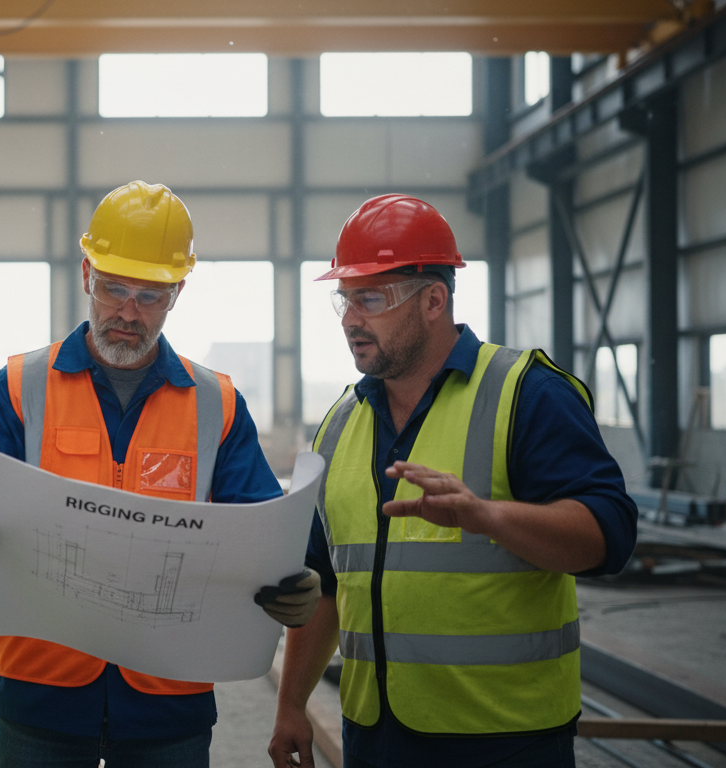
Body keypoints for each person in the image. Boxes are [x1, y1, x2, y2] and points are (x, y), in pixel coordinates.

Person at [0, 180, 322, 768]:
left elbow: (264, 527)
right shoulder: (19, 387)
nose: (128, 313)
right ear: (87, 274)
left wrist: (294, 583)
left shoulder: (217, 403)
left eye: (151, 295)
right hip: (41, 695)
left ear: (177, 293)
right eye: (114, 289)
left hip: (169, 702)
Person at [269, 195, 639, 768]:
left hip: (506, 738)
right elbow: (323, 583)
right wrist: (291, 703)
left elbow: (608, 538)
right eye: (345, 298)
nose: (350, 319)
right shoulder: (339, 426)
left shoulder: (528, 394)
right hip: (376, 736)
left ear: (434, 300)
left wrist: (487, 515)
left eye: (371, 298)